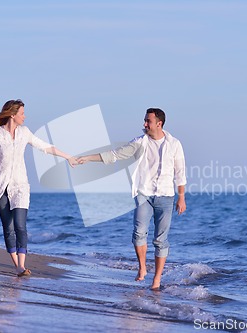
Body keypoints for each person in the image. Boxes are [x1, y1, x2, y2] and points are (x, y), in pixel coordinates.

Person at [77, 108, 186, 290]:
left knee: (160, 240)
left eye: (148, 121)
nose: (144, 124)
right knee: (138, 232)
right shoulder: (140, 142)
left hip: (166, 196)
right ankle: (142, 268)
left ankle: (157, 279)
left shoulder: (174, 144)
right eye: (144, 120)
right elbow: (115, 155)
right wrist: (88, 158)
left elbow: (180, 173)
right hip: (144, 194)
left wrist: (181, 197)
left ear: (159, 123)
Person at [0, 99, 78, 277]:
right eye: (22, 113)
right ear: (12, 114)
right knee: (8, 227)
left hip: (20, 185)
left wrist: (67, 156)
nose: (25, 116)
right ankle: (17, 266)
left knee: (20, 226)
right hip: (0, 187)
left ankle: (22, 266)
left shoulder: (24, 132)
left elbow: (45, 147)